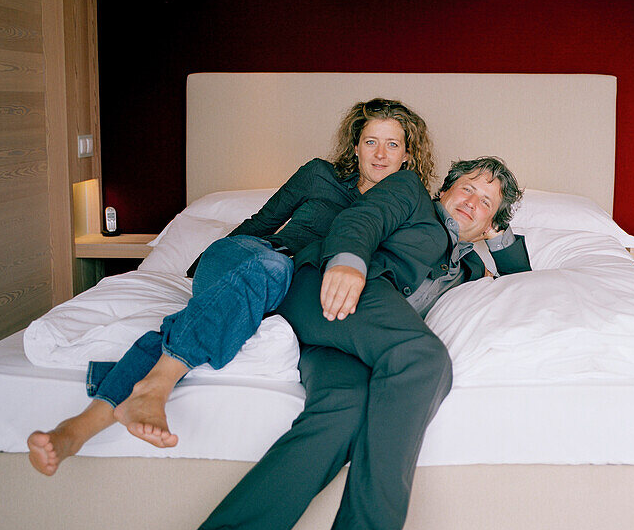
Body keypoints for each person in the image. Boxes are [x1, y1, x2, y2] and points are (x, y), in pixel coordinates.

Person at [142, 156, 530, 530]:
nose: (471, 200)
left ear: (491, 224)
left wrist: (500, 236)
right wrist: (347, 258)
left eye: (486, 202)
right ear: (442, 190)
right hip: (329, 287)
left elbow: (522, 282)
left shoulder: (464, 270)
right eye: (465, 187)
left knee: (343, 412)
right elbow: (359, 220)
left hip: (351, 337)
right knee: (423, 359)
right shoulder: (410, 195)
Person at [26, 99, 434, 475]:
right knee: (270, 267)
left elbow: (444, 242)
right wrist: (203, 269)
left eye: (392, 145)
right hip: (251, 255)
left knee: (219, 315)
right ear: (356, 146)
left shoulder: (402, 206)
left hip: (285, 289)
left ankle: (80, 426)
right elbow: (260, 223)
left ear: (407, 154)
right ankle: (149, 390)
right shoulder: (318, 175)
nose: (380, 154)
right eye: (371, 142)